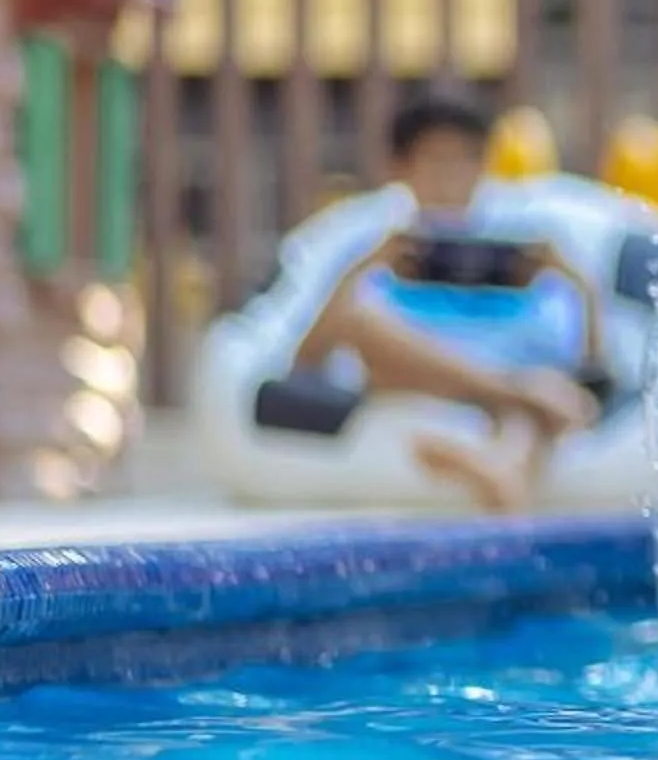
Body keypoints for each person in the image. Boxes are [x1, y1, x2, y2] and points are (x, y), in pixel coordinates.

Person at [245, 95, 605, 512]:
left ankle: (500, 468)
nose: (451, 179)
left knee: (529, 408)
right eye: (435, 162)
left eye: (465, 162)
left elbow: (589, 366)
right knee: (363, 319)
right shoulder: (370, 241)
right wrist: (369, 265)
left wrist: (577, 283)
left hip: (507, 381)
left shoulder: (520, 245)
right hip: (415, 377)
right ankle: (512, 396)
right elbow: (305, 362)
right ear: (400, 169)